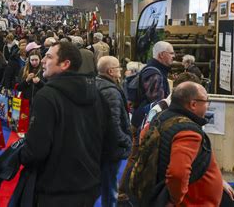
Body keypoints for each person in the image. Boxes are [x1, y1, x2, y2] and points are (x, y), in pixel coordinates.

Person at [18, 42, 104, 205]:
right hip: (89, 187)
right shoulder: (97, 95)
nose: (43, 60)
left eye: (49, 57)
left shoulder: (46, 97)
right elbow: (108, 142)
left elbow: (36, 150)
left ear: (65, 64)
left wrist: (21, 156)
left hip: (54, 190)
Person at [146, 82, 223, 206]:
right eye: (206, 101)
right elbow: (177, 173)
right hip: (191, 201)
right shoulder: (187, 131)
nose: (207, 106)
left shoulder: (160, 118)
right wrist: (174, 200)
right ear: (193, 104)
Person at [118, 41, 174, 203]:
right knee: (136, 156)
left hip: (142, 119)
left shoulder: (153, 70)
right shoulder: (155, 73)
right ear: (162, 55)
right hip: (145, 121)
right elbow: (157, 101)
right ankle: (123, 192)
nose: (173, 56)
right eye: (171, 53)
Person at [95, 56, 131, 207]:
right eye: (118, 68)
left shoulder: (98, 84)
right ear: (110, 71)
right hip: (110, 148)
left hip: (100, 145)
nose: (121, 70)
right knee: (110, 188)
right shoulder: (111, 92)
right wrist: (126, 141)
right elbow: (114, 123)